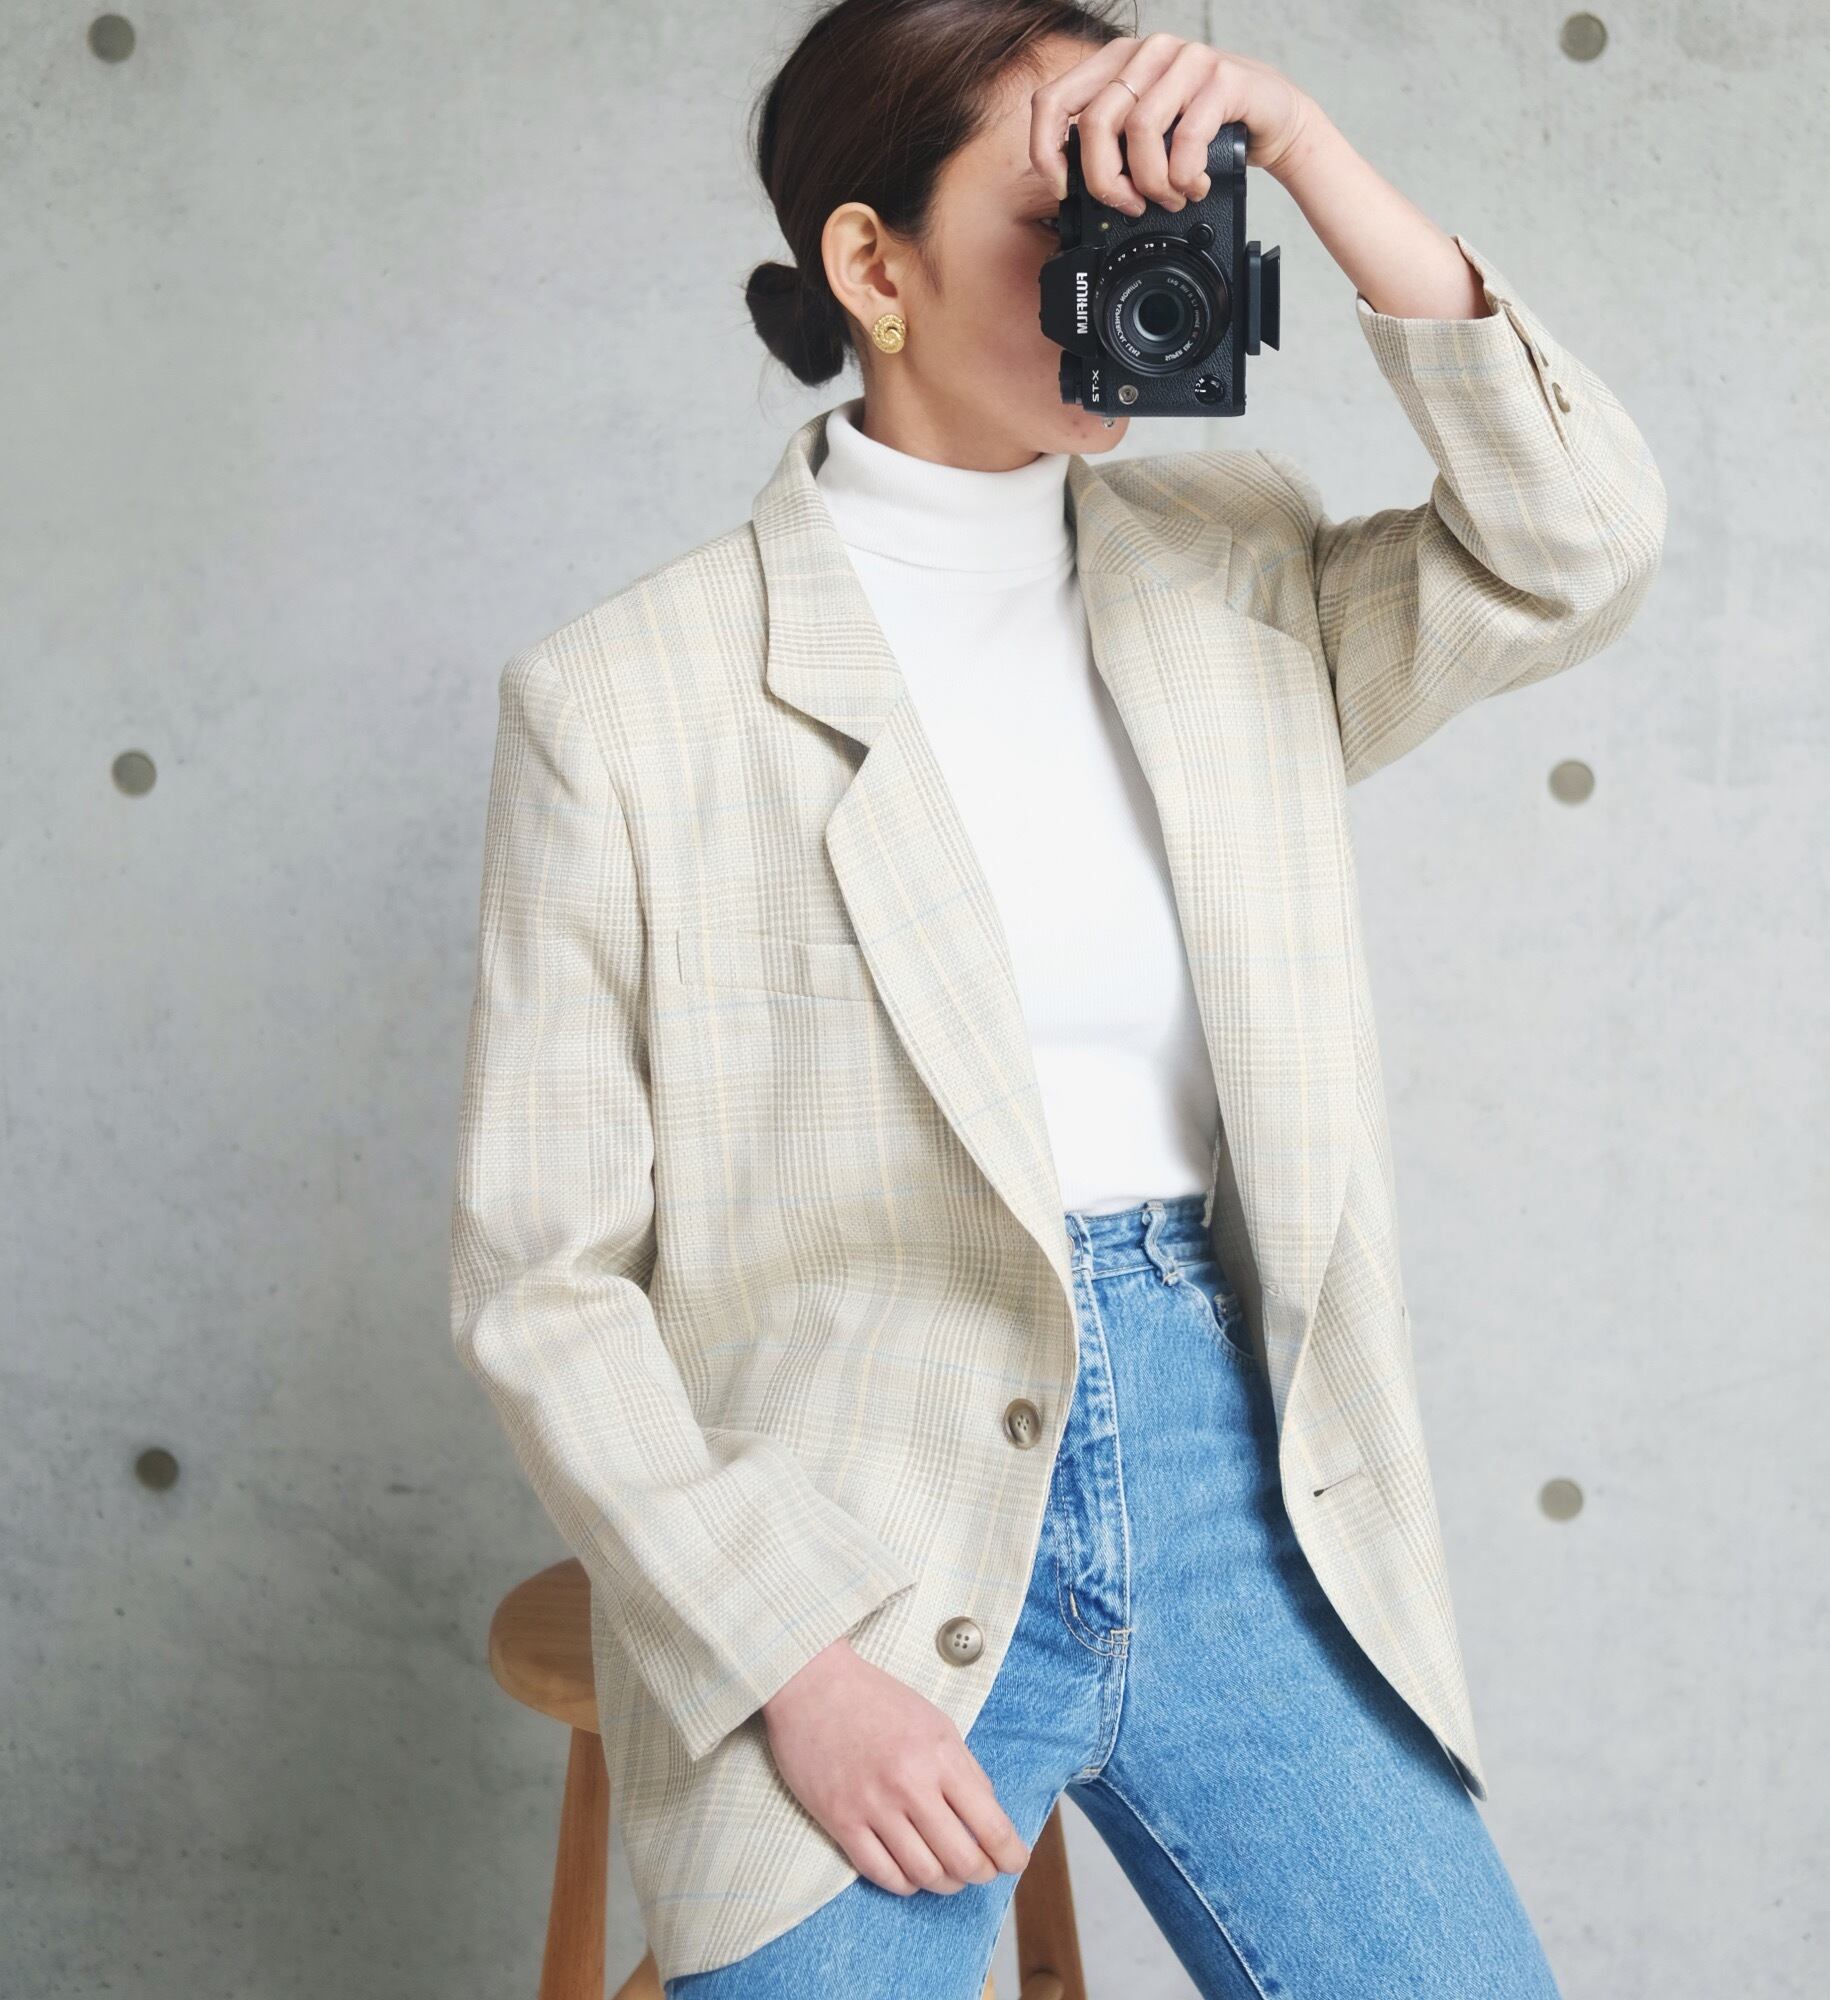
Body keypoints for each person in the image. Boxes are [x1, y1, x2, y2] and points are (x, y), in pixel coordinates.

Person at [449, 4, 1668, 1994]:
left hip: (1239, 1487)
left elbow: (1579, 544)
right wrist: (787, 1663)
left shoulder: (1236, 570)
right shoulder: (627, 700)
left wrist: (1303, 146)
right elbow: (543, 1279)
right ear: (875, 267)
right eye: (1062, 214)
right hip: (845, 1529)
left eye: (1162, 206)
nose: (1132, 265)